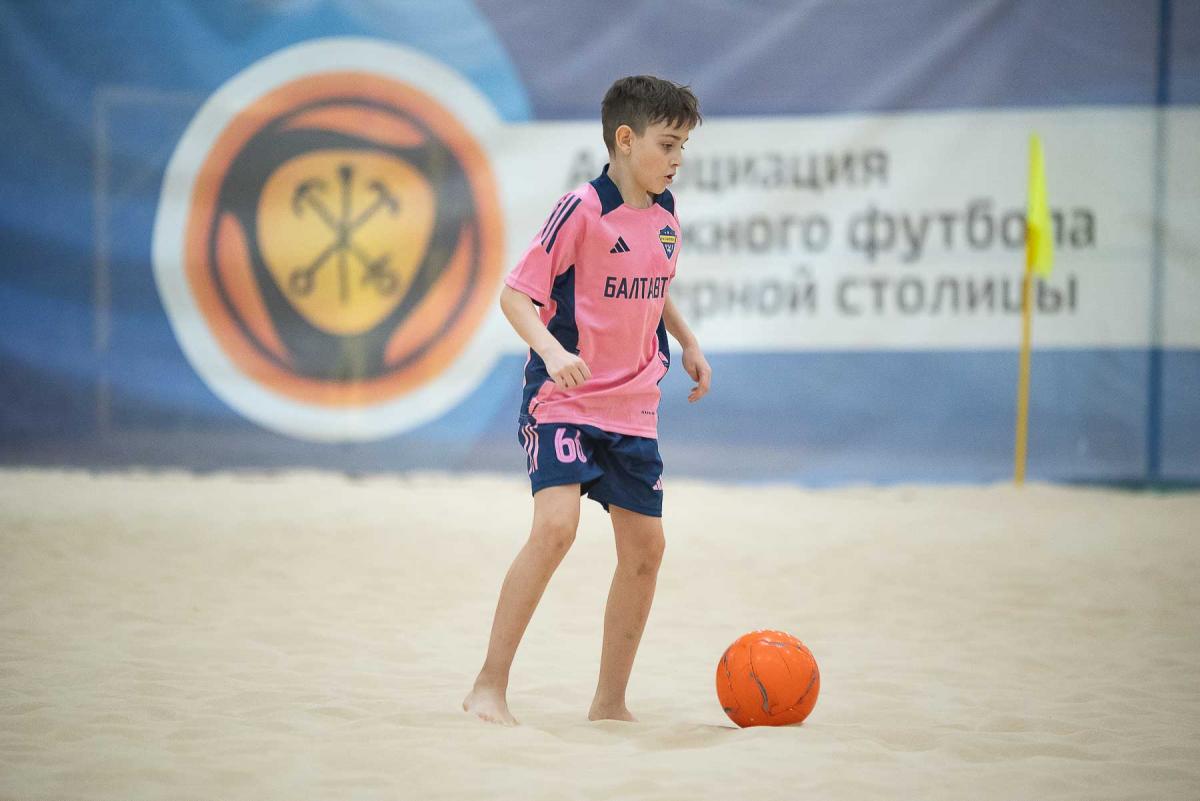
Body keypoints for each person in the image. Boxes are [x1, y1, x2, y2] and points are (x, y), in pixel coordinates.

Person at [463, 75, 710, 725]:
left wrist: (687, 341)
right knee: (556, 528)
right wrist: (551, 351)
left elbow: (656, 286)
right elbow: (516, 294)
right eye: (668, 145)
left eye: (683, 147)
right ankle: (488, 685)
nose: (677, 159)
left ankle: (609, 704)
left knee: (646, 551)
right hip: (565, 400)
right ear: (626, 140)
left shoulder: (666, 215)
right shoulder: (580, 209)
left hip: (633, 406)